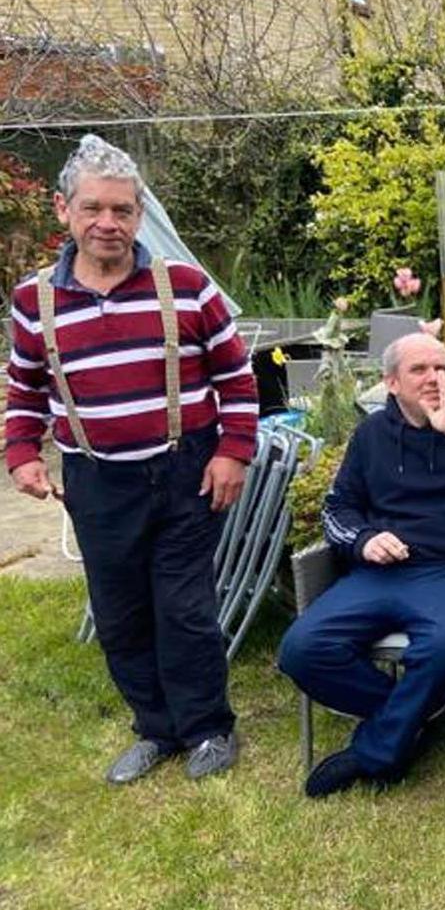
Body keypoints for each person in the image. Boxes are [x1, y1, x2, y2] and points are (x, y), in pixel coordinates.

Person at [4, 134, 257, 784]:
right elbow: (26, 384)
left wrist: (233, 451)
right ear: (64, 210)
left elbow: (237, 377)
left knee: (183, 607)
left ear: (140, 214)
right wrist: (21, 452)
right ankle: (157, 727)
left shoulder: (187, 287)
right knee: (119, 612)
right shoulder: (36, 301)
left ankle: (207, 728)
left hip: (183, 469)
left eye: (122, 209)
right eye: (93, 209)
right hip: (95, 477)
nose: (107, 223)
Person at [277, 333, 445, 797]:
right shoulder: (371, 435)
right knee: (301, 649)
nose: (434, 378)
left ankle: (377, 752)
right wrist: (364, 540)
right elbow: (337, 509)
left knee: (444, 648)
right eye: (419, 370)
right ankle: (409, 721)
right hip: (378, 573)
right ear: (391, 383)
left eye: (441, 367)